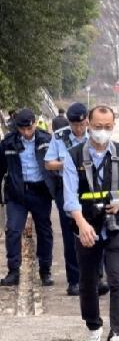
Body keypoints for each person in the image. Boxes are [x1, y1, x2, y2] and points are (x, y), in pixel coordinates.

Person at [63, 105, 119, 341]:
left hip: (117, 223)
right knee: (88, 280)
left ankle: (117, 335)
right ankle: (93, 326)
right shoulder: (74, 157)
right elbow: (70, 196)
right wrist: (81, 223)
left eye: (107, 127)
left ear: (113, 126)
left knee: (118, 279)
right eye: (97, 127)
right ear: (88, 124)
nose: (102, 132)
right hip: (86, 224)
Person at [0, 108, 55, 287]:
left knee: (44, 231)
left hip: (40, 192)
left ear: (34, 123)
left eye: (29, 129)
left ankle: (45, 270)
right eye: (22, 129)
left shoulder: (46, 140)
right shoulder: (8, 143)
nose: (26, 133)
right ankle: (13, 271)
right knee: (13, 231)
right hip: (17, 193)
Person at [44, 102, 91, 296]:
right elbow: (48, 164)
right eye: (75, 125)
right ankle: (74, 281)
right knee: (71, 236)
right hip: (68, 188)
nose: (78, 129)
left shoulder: (95, 134)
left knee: (96, 231)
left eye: (81, 125)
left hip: (90, 188)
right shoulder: (60, 136)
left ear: (87, 121)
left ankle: (97, 278)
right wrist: (67, 164)